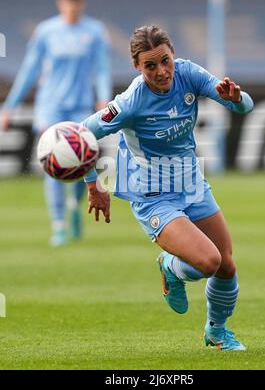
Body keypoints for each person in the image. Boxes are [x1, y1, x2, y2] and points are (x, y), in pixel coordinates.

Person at [82, 25, 254, 351]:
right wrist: (93, 185)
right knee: (208, 262)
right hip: (154, 196)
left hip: (192, 184)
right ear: (137, 66)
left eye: (165, 60)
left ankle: (217, 333)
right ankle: (169, 266)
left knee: (227, 264)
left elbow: (242, 104)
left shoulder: (189, 74)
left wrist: (238, 100)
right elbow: (83, 134)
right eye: (150, 65)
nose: (161, 71)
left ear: (173, 53)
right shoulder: (130, 102)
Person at [1, 0, 112, 246]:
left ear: (83, 1)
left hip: (79, 106)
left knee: (82, 164)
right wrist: (10, 105)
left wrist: (104, 99)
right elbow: (29, 70)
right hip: (50, 107)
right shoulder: (46, 32)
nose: (72, 1)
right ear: (59, 1)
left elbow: (103, 69)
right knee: (51, 163)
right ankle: (59, 224)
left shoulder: (94, 32)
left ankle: (75, 203)